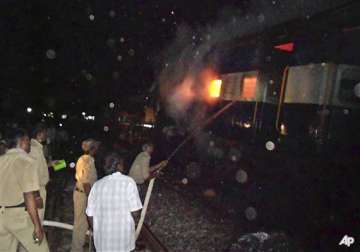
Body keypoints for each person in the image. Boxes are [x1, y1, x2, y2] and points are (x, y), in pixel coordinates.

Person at [0, 129, 49, 252]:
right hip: (19, 218)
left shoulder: (1, 160)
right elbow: (29, 196)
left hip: (1, 218)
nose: (29, 145)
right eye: (28, 141)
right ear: (22, 141)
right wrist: (37, 226)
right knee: (40, 248)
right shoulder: (26, 161)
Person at [86, 155, 142, 252]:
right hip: (123, 240)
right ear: (118, 166)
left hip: (103, 242)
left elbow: (90, 215)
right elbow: (135, 212)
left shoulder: (97, 185)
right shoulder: (128, 182)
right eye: (122, 164)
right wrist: (135, 221)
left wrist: (97, 230)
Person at [71, 139, 100, 252]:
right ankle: (76, 249)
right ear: (92, 148)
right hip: (83, 195)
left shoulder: (89, 160)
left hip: (83, 194)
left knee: (83, 224)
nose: (98, 149)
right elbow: (86, 182)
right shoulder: (85, 161)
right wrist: (90, 199)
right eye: (96, 147)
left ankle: (80, 246)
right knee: (80, 225)